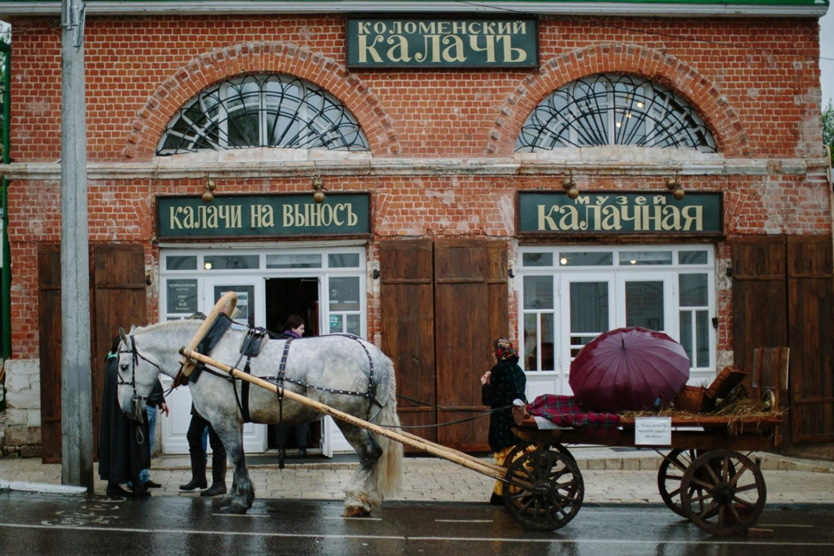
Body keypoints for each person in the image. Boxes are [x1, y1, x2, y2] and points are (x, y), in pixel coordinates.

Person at [99, 337, 151, 498]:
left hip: (117, 416)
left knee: (119, 448)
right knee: (130, 449)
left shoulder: (111, 363)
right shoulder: (120, 366)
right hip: (125, 416)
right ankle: (133, 484)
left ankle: (121, 484)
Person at [481, 337, 527, 505]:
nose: (493, 355)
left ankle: (503, 494)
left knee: (504, 458)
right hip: (517, 419)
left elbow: (490, 398)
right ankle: (502, 493)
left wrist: (485, 383)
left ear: (500, 353)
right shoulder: (518, 370)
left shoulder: (499, 370)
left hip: (503, 421)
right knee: (510, 457)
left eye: (495, 352)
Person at [274, 314, 310, 459]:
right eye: (301, 328)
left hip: (281, 384)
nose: (303, 331)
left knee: (282, 416)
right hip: (298, 384)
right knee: (302, 416)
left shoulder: (277, 342)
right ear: (293, 328)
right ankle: (302, 448)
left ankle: (281, 449)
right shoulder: (299, 345)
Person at [179, 406, 228, 497]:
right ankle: (199, 479)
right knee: (193, 435)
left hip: (214, 405)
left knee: (217, 442)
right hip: (201, 404)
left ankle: (219, 484)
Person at [136, 381, 169, 489]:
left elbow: (155, 382)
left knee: (148, 443)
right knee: (142, 443)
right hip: (144, 405)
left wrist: (160, 401)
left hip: (151, 405)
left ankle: (144, 477)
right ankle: (137, 478)